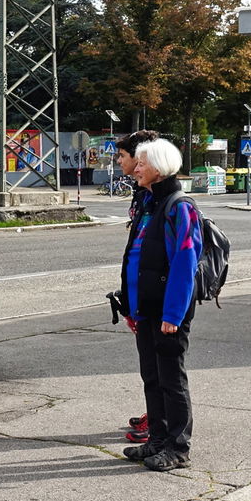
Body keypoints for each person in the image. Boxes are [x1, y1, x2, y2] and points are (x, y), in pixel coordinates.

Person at [115, 137, 201, 471]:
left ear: (160, 168)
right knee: (151, 377)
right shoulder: (149, 204)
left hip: (167, 312)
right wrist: (130, 307)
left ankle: (177, 448)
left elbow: (184, 263)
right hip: (146, 309)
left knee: (171, 380)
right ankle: (157, 440)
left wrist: (173, 314)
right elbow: (136, 259)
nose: (136, 169)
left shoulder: (180, 207)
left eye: (142, 163)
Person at [113, 129, 161, 445]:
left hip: (154, 297)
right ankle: (155, 414)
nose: (120, 162)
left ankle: (160, 422)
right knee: (150, 364)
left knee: (160, 366)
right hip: (140, 293)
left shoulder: (159, 199)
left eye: (124, 156)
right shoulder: (141, 193)